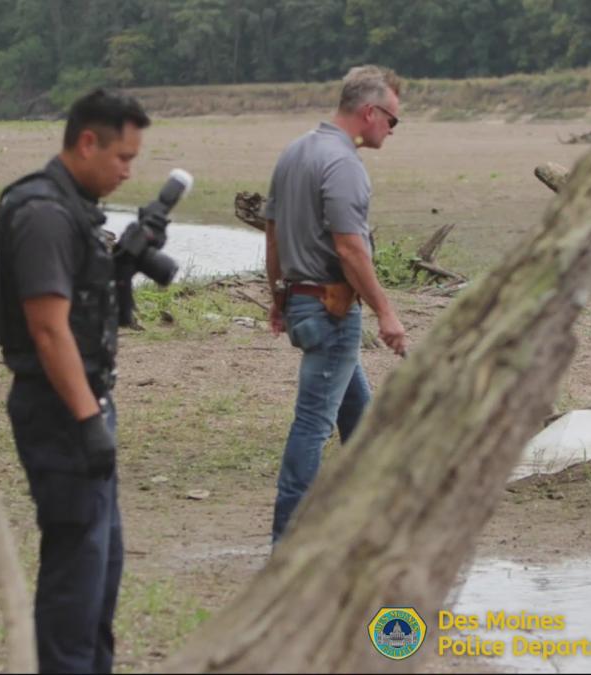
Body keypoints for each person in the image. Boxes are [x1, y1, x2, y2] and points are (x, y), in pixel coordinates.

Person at [0, 88, 152, 673]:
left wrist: (119, 269)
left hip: (83, 404)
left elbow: (80, 305)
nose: (128, 172)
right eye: (123, 158)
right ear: (88, 141)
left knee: (101, 571)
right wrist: (88, 421)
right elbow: (48, 330)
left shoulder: (73, 209)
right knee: (74, 580)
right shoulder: (42, 214)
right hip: (59, 411)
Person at [263, 64, 410, 544]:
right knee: (312, 424)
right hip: (331, 312)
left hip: (303, 305)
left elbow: (274, 233)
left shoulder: (294, 151)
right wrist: (387, 313)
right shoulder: (343, 163)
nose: (392, 129)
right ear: (369, 112)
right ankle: (286, 542)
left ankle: (372, 527)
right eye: (392, 119)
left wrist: (278, 297)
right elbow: (350, 248)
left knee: (359, 420)